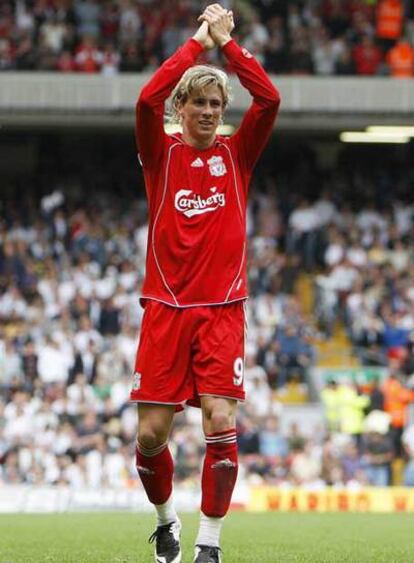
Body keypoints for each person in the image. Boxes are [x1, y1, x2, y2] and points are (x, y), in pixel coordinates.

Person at [132, 4, 280, 562]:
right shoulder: (159, 153)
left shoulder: (236, 154)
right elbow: (147, 99)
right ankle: (166, 522)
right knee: (150, 436)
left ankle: (209, 545)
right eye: (201, 103)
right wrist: (197, 44)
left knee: (221, 421)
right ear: (183, 108)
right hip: (166, 307)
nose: (211, 113)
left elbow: (269, 100)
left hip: (222, 310)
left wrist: (230, 49)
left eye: (218, 104)